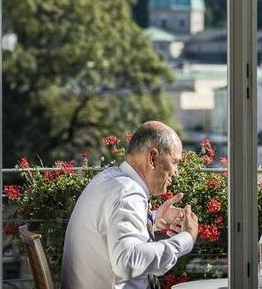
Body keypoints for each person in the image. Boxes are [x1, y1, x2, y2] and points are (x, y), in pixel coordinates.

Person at [61, 121, 198, 289]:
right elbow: (128, 261)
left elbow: (110, 227)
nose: (176, 172)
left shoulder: (110, 179)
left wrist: (154, 218)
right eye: (175, 162)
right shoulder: (127, 194)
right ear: (153, 158)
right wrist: (186, 239)